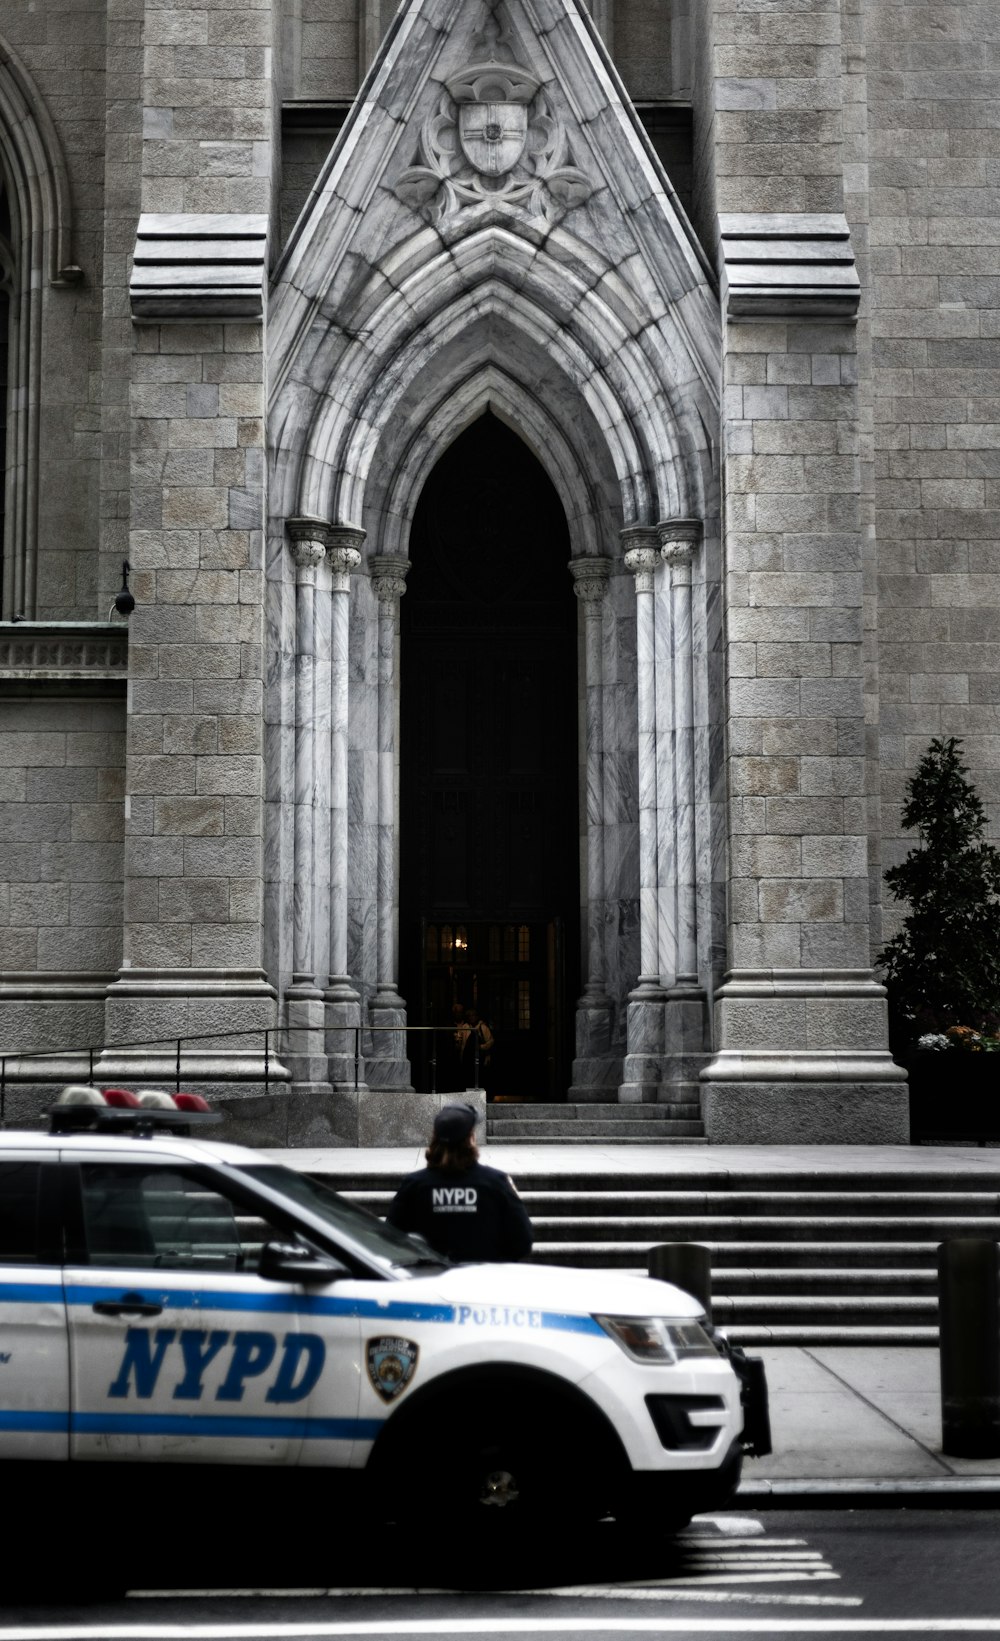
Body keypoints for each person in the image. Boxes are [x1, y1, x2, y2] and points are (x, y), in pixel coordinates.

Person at [385, 1102, 532, 1263]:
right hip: (483, 1279)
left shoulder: (414, 1185)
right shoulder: (496, 1183)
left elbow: (391, 1239)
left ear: (435, 1138)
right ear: (471, 1139)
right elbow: (522, 1242)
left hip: (431, 1282)